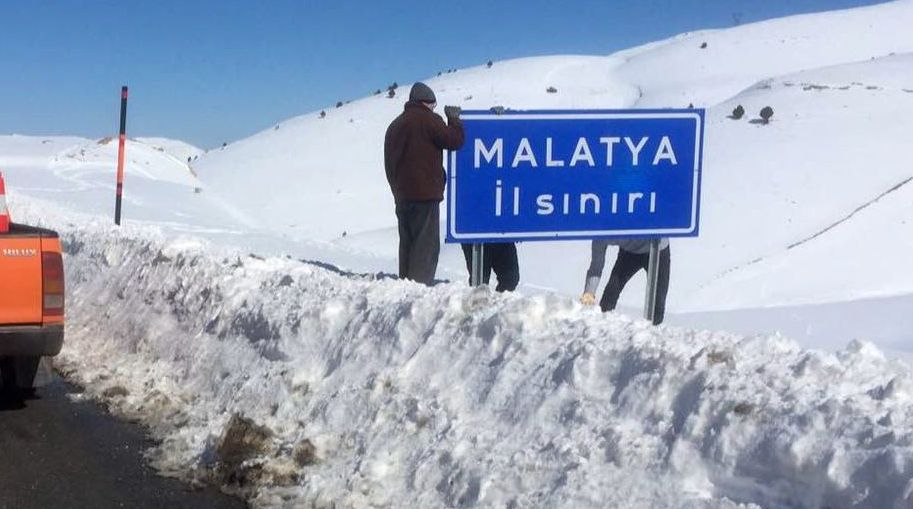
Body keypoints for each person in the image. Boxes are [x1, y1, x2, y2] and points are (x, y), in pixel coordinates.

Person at [384, 82, 465, 285]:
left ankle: (405, 285)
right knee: (425, 246)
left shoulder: (395, 126)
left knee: (408, 243)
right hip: (425, 194)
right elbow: (454, 140)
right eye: (433, 105)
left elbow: (389, 163)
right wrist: (454, 120)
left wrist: (396, 189)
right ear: (427, 103)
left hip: (402, 195)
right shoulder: (429, 120)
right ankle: (419, 289)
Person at [581, 239, 671, 324]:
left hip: (658, 249)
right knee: (609, 297)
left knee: (658, 304)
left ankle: (653, 337)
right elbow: (596, 267)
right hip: (629, 253)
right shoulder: (601, 233)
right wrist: (589, 292)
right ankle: (603, 331)